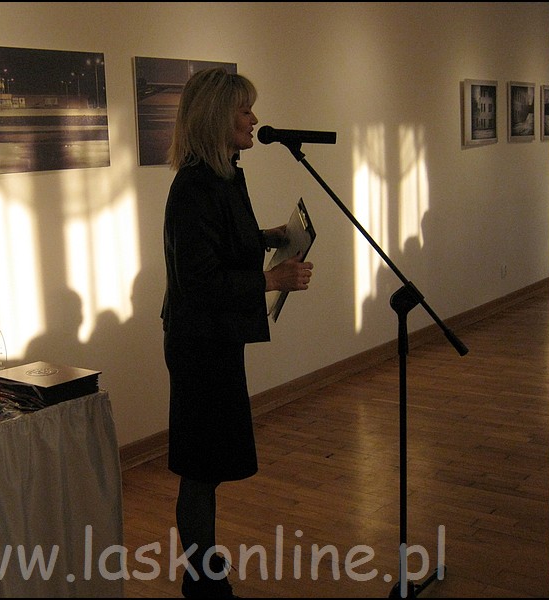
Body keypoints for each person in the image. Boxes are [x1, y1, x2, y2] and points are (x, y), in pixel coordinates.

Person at [161, 67, 314, 598]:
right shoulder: (192, 188)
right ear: (217, 117)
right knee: (200, 466)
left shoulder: (225, 175)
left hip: (218, 340)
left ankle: (205, 562)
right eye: (244, 110)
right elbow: (199, 281)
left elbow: (225, 240)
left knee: (210, 460)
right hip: (199, 344)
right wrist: (271, 279)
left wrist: (269, 235)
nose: (254, 119)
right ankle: (201, 579)